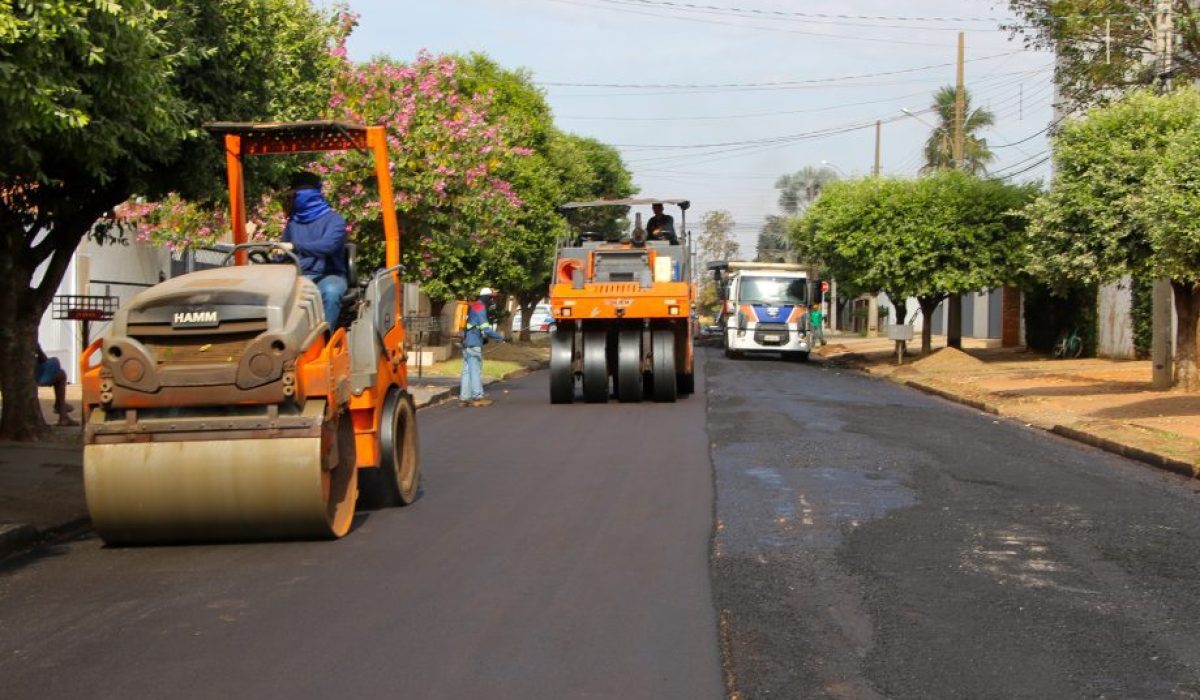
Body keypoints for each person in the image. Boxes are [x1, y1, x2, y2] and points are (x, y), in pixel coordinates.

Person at [280, 171, 348, 327]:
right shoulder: (293, 223)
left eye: (295, 196)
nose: (292, 200)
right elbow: (284, 249)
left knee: (331, 292)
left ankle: (324, 341)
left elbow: (327, 246)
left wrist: (294, 246)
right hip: (299, 275)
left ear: (309, 195)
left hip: (329, 275)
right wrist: (277, 253)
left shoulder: (334, 221)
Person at [460, 287, 505, 407]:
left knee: (467, 371)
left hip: (466, 342)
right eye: (491, 298)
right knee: (475, 370)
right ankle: (477, 397)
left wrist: (483, 336)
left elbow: (475, 326)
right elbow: (485, 328)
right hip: (473, 343)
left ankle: (465, 398)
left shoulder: (474, 306)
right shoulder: (480, 307)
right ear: (486, 297)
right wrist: (500, 337)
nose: (492, 301)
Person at [35, 344, 77, 426]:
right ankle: (62, 412)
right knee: (57, 366)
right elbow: (43, 358)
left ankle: (62, 411)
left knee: (59, 373)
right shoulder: (26, 336)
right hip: (33, 374)